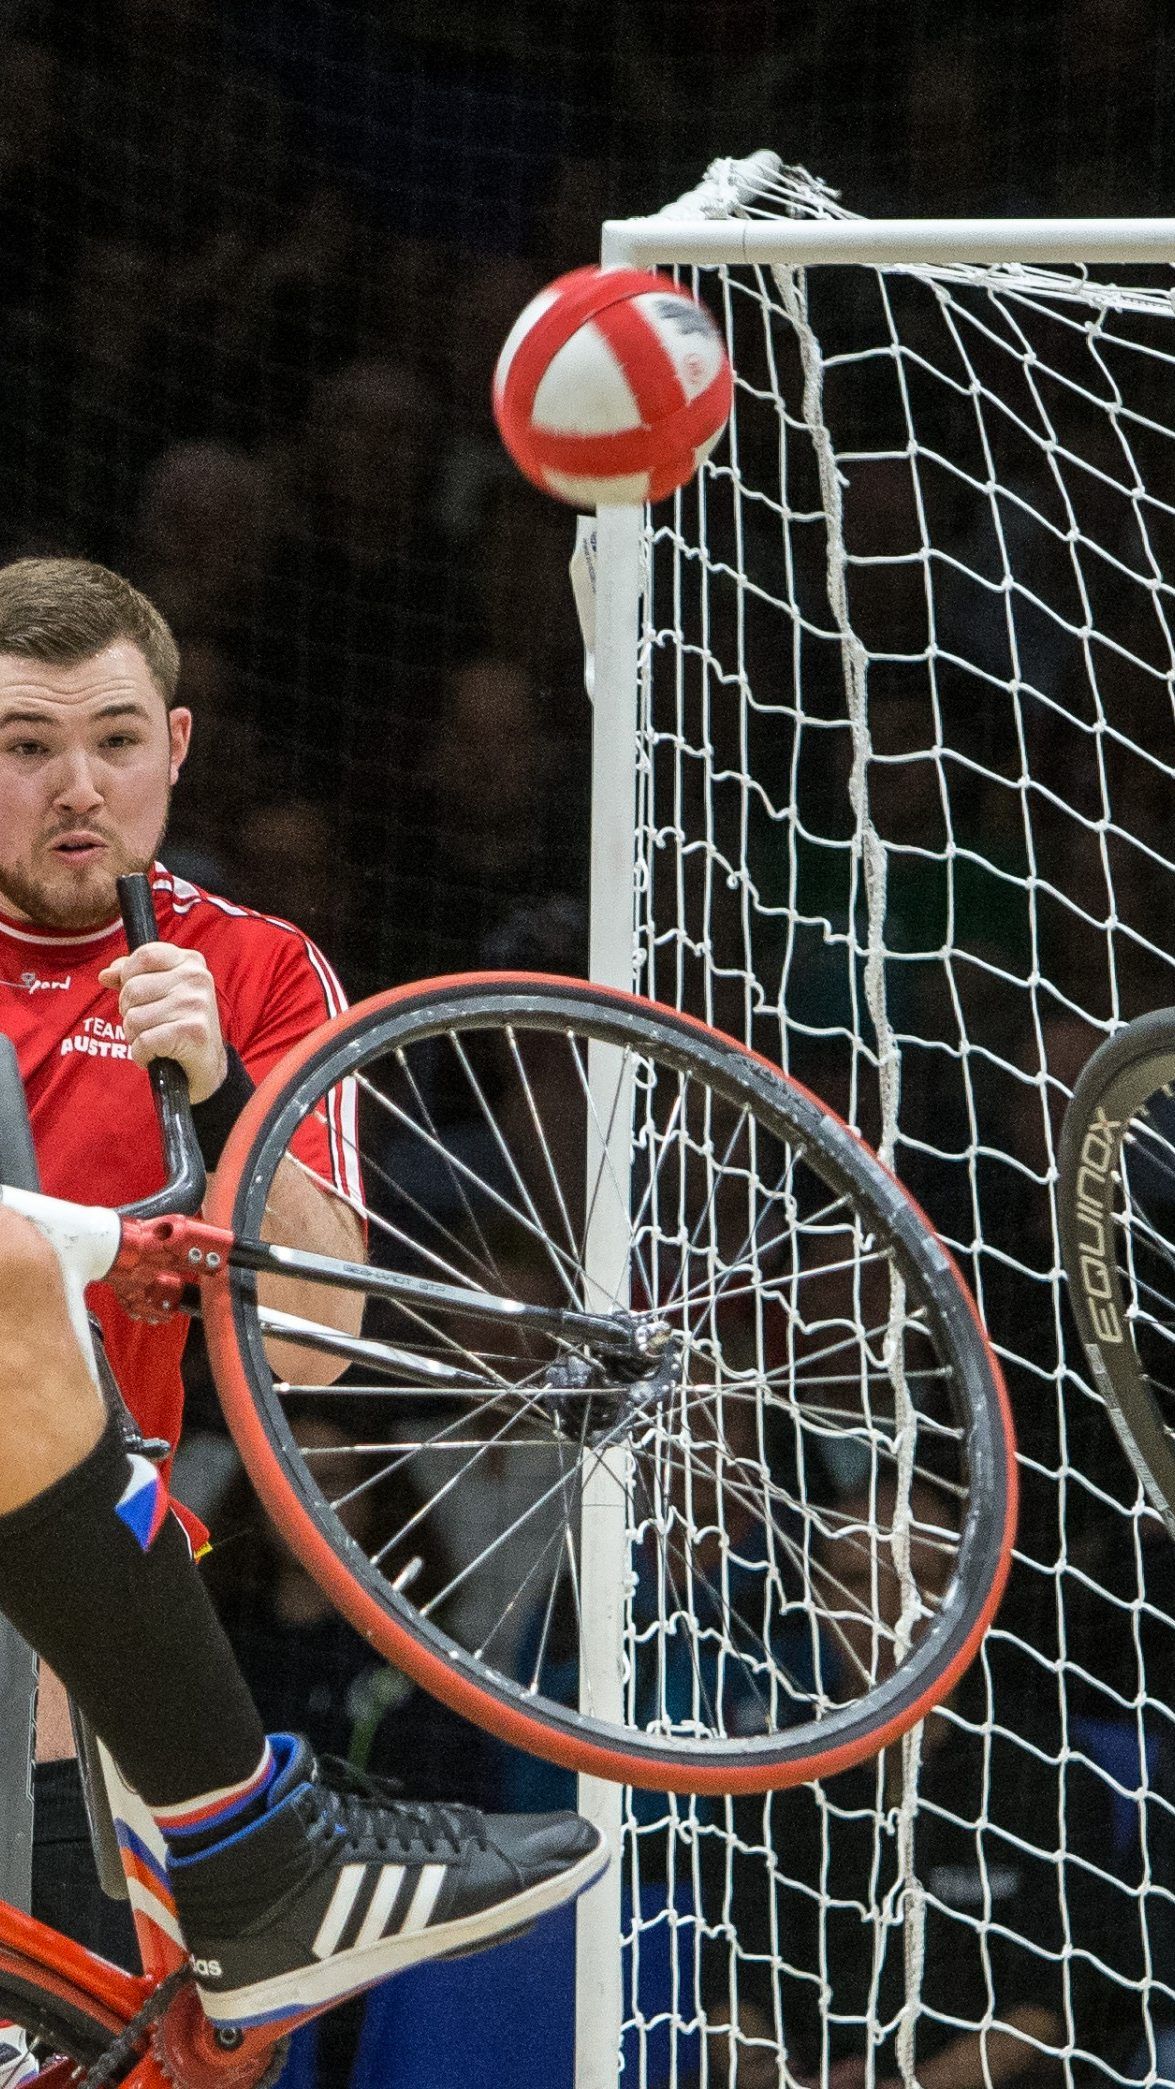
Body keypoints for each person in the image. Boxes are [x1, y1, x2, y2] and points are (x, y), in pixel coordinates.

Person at [0, 555, 604, 2037]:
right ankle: (261, 1847)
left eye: (117, 739)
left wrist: (225, 1087)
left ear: (177, 748)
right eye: (24, 746)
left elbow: (321, 1349)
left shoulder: (256, 971)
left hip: (64, 1717)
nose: (78, 784)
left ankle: (252, 1856)